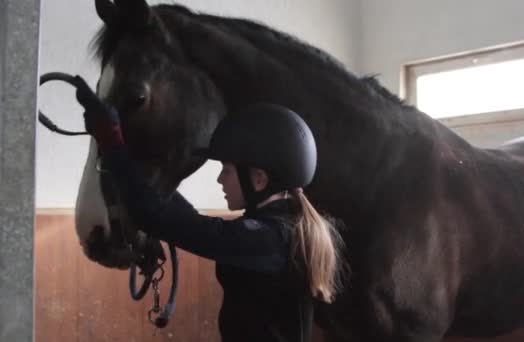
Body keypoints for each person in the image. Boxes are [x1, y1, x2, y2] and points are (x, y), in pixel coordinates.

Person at [74, 76, 343, 342]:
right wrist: (132, 162)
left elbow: (161, 218)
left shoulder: (270, 240)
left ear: (258, 180)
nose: (220, 180)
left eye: (226, 171)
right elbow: (185, 220)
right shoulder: (284, 229)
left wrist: (112, 144)